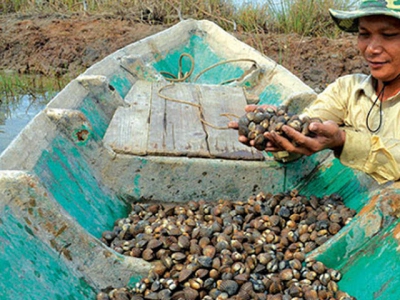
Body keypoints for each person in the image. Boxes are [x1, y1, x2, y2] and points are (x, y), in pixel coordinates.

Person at [229, 0, 400, 184]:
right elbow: (306, 125)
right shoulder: (347, 89)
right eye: (364, 34)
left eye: (389, 35)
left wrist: (343, 140)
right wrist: (279, 129)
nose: (372, 49)